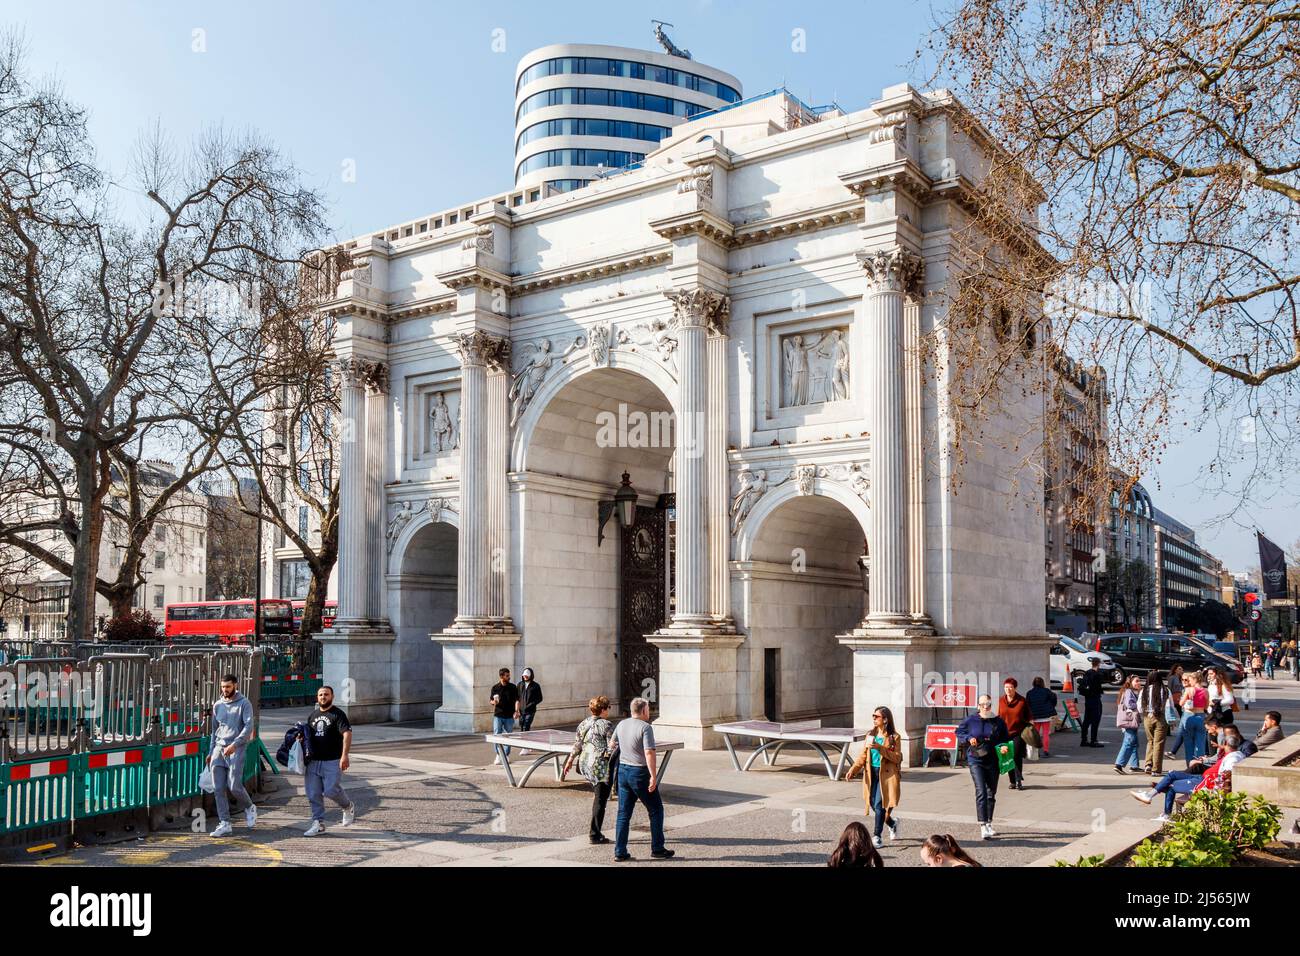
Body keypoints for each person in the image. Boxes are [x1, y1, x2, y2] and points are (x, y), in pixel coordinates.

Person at [1132, 731, 1246, 822]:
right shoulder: (1233, 754)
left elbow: (1225, 775)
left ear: (1226, 744)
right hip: (1203, 778)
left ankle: (1163, 809)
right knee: (1172, 774)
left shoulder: (1232, 758)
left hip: (1205, 783)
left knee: (1171, 786)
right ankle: (1153, 794)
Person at [612, 697, 673, 861]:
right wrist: (653, 775)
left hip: (623, 771)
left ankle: (620, 851)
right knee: (655, 810)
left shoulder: (621, 724)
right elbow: (649, 752)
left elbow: (612, 745)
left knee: (623, 813)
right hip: (639, 772)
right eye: (648, 709)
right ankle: (657, 848)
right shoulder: (646, 728)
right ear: (644, 710)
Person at [563, 695, 618, 845]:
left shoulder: (583, 723)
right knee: (600, 800)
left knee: (598, 796)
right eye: (608, 708)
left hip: (585, 763)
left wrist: (570, 760)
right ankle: (595, 833)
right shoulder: (606, 725)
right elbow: (612, 747)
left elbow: (577, 744)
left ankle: (595, 832)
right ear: (603, 709)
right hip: (599, 766)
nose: (608, 711)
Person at [206, 673, 256, 838]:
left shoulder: (244, 703)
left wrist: (235, 745)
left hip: (237, 748)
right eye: (222, 687)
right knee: (218, 788)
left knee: (234, 786)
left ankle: (249, 806)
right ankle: (225, 823)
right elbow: (214, 730)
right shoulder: (218, 705)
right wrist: (210, 751)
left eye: (228, 686)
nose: (225, 690)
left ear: (235, 685)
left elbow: (248, 727)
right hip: (218, 750)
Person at [845, 706, 902, 847]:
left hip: (887, 776)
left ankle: (877, 836)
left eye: (877, 716)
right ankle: (892, 823)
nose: (874, 719)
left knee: (879, 805)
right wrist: (853, 769)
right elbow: (863, 755)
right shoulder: (870, 735)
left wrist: (880, 748)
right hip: (871, 774)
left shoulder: (894, 737)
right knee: (873, 805)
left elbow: (897, 758)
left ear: (885, 719)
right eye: (873, 716)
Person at [303, 685, 355, 836]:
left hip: (332, 760)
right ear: (317, 697)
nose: (323, 697)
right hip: (313, 762)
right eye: (320, 695)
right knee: (313, 794)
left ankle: (347, 806)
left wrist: (345, 755)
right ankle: (318, 823)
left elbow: (347, 734)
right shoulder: (312, 715)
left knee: (331, 790)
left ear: (332, 697)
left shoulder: (338, 714)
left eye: (326, 694)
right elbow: (308, 737)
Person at [956, 694, 1010, 840]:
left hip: (993, 760)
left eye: (988, 704)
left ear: (992, 705)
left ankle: (989, 823)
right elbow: (959, 732)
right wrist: (968, 738)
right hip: (975, 759)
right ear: (978, 706)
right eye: (982, 704)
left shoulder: (998, 721)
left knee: (991, 792)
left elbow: (1005, 739)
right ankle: (982, 824)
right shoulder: (970, 720)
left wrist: (1004, 747)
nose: (985, 707)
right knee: (981, 791)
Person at [997, 678, 1030, 788]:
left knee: (1016, 755)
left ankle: (1018, 779)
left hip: (1018, 733)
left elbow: (1029, 716)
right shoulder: (1001, 700)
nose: (1008, 689)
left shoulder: (1022, 701)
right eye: (1006, 687)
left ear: (1015, 688)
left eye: (1010, 687)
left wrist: (1031, 730)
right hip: (1004, 733)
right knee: (1008, 756)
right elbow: (999, 716)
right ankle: (1012, 781)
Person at [1138, 669, 1170, 775]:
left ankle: (1148, 764)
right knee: (1159, 743)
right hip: (1160, 717)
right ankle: (1156, 769)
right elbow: (1170, 706)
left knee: (1150, 741)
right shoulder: (1165, 690)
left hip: (1147, 716)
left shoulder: (1144, 690)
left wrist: (1145, 713)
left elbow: (1139, 707)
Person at [489, 667, 521, 765]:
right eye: (507, 676)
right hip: (498, 715)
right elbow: (490, 700)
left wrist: (517, 711)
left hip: (509, 716)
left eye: (509, 675)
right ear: (501, 676)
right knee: (497, 735)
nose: (509, 677)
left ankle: (506, 755)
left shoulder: (513, 687)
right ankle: (499, 755)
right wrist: (493, 702)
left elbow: (517, 700)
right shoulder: (495, 688)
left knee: (508, 736)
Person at [1113, 674, 1143, 774]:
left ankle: (1134, 765)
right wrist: (1140, 704)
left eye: (1139, 681)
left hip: (1130, 721)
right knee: (1129, 742)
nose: (1139, 683)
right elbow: (1129, 704)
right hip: (1128, 721)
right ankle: (1119, 764)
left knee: (1134, 743)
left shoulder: (1130, 691)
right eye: (1137, 681)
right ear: (1130, 682)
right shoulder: (1129, 691)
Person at [1178, 670, 1209, 765]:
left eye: (1190, 680)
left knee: (1189, 743)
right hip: (1201, 716)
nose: (1189, 682)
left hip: (1190, 716)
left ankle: (1190, 765)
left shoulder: (1189, 690)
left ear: (1195, 680)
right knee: (1201, 743)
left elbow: (1181, 703)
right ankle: (1200, 764)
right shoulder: (1205, 691)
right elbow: (1206, 706)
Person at [1076, 657, 1106, 747]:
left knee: (1087, 720)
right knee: (1095, 720)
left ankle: (1084, 739)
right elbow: (1099, 686)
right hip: (1095, 699)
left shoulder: (1087, 673)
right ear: (1098, 664)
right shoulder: (1097, 674)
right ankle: (1093, 740)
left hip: (1088, 699)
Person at [1026, 677, 1057, 758]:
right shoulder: (1046, 691)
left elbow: (1027, 705)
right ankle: (1046, 751)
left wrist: (1029, 716)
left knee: (1036, 735)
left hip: (1035, 716)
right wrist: (1051, 706)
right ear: (1042, 683)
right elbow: (1054, 697)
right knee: (1045, 733)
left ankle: (1036, 752)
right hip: (1046, 716)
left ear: (1033, 683)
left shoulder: (1029, 693)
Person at [515, 667, 544, 755]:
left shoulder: (535, 686)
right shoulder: (520, 684)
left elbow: (540, 698)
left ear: (531, 676)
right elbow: (517, 697)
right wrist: (517, 709)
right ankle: (529, 743)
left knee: (526, 725)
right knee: (522, 725)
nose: (525, 677)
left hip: (530, 710)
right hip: (521, 710)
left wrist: (532, 704)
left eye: (527, 676)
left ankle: (525, 747)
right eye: (524, 676)